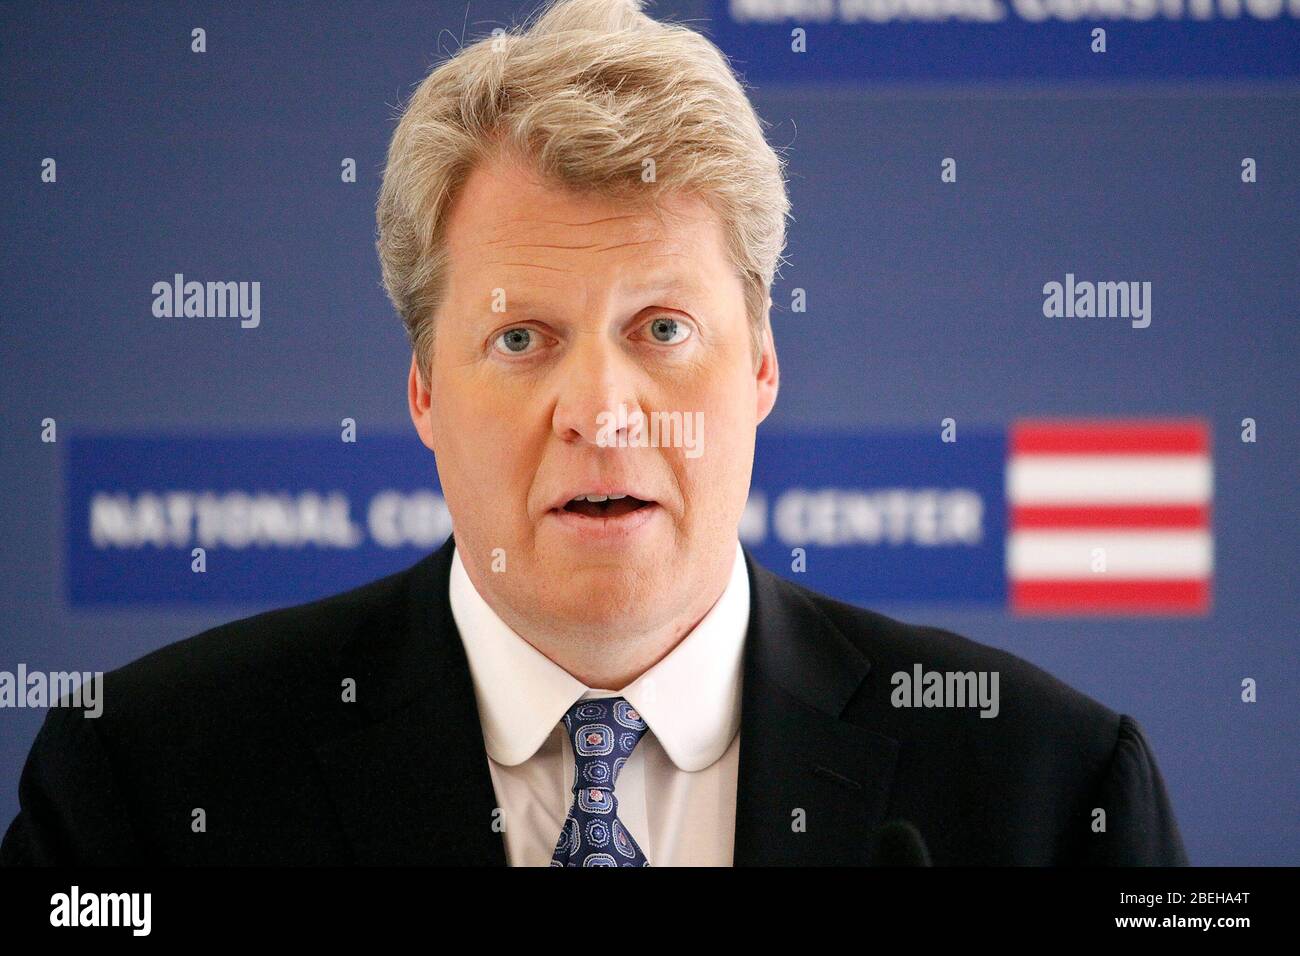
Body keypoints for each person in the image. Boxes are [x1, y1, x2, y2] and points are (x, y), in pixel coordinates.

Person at [0, 0, 1187, 866]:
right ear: (420, 389)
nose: (603, 409)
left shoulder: (1049, 791)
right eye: (521, 339)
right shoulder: (146, 786)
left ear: (763, 366)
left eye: (663, 326)